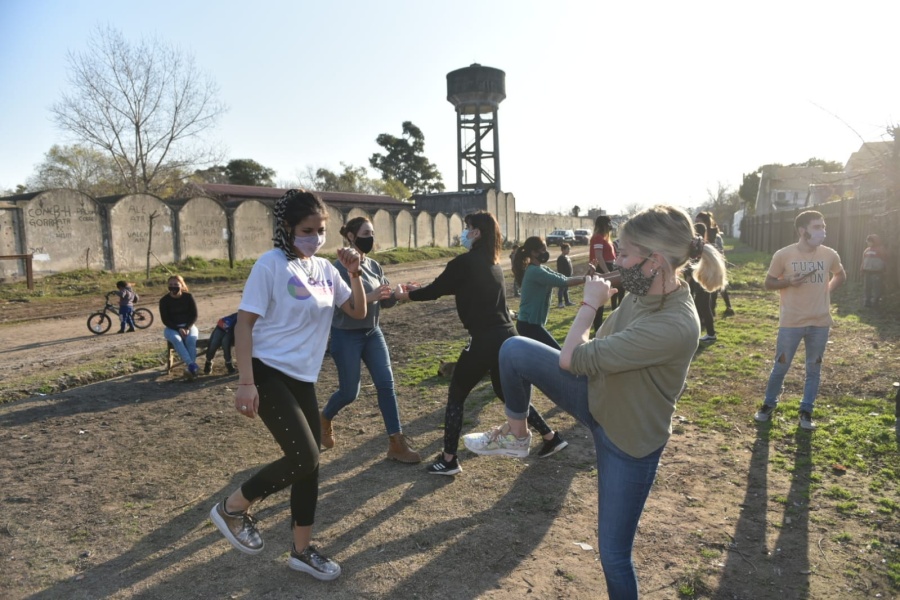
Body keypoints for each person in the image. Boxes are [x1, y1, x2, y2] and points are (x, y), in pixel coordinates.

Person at [462, 205, 725, 599]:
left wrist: (589, 305)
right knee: (513, 349)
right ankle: (517, 436)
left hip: (628, 441)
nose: (615, 260)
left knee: (613, 555)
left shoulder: (675, 325)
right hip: (597, 399)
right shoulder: (645, 286)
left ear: (655, 261)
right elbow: (592, 353)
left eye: (624, 253)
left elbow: (572, 360)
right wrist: (598, 294)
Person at [209, 189, 366, 581]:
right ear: (287, 229)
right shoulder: (271, 265)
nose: (314, 237)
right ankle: (231, 508)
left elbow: (358, 311)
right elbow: (243, 325)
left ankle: (301, 551)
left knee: (309, 468)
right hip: (266, 371)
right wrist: (246, 382)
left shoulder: (326, 270)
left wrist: (354, 273)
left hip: (302, 377)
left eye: (321, 230)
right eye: (306, 230)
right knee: (303, 458)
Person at [394, 211, 567, 475]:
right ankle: (550, 437)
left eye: (467, 227)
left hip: (485, 340)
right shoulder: (492, 263)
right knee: (505, 393)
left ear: (476, 232)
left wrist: (406, 296)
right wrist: (417, 289)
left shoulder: (465, 262)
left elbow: (435, 290)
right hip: (507, 337)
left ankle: (449, 459)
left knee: (457, 394)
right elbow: (447, 286)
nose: (463, 232)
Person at [320, 216, 421, 464]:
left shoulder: (374, 266)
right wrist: (372, 295)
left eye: (372, 232)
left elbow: (384, 299)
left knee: (386, 385)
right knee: (349, 392)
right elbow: (346, 305)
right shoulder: (337, 268)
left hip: (372, 332)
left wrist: (398, 294)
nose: (371, 238)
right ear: (351, 237)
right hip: (346, 335)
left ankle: (397, 444)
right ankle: (323, 418)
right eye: (366, 233)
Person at [754, 210, 846, 431]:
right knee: (780, 367)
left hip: (820, 323)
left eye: (823, 227)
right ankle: (768, 405)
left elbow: (840, 274)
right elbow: (768, 283)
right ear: (802, 231)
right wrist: (787, 282)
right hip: (791, 323)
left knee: (814, 370)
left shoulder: (829, 254)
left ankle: (806, 411)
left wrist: (827, 290)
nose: (823, 231)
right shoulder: (783, 255)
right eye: (817, 227)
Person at [514, 236, 586, 348]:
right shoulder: (535, 272)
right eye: (543, 250)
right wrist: (586, 279)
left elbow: (561, 276)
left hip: (532, 324)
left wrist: (591, 277)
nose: (546, 253)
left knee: (546, 355)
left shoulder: (541, 268)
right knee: (557, 353)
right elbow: (563, 281)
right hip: (528, 324)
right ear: (533, 252)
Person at [159, 275, 199, 378]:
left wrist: (186, 327)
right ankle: (191, 365)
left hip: (189, 326)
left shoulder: (188, 297)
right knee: (177, 339)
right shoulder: (164, 301)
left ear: (182, 285)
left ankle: (191, 369)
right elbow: (165, 320)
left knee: (191, 340)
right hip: (172, 328)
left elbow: (194, 315)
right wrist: (178, 329)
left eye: (176, 284)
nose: (173, 287)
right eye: (171, 285)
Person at [695, 211, 734, 316]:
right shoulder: (697, 234)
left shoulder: (715, 235)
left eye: (698, 221)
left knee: (717, 287)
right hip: (702, 264)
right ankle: (707, 313)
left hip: (714, 263)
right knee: (705, 289)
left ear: (705, 222)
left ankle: (714, 310)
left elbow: (720, 251)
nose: (696, 223)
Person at [588, 215, 619, 334]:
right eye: (609, 223)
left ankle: (610, 326)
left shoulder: (606, 238)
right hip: (602, 269)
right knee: (599, 302)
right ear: (603, 225)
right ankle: (597, 329)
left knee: (614, 295)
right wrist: (608, 273)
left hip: (609, 268)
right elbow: (599, 257)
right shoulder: (598, 238)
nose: (611, 226)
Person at [688, 222, 718, 343]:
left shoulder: (698, 247)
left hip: (702, 281)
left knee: (702, 307)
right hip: (704, 280)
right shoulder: (703, 246)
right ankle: (709, 333)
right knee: (703, 307)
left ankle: (710, 333)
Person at [860, 233, 887, 308]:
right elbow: (864, 260)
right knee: (867, 287)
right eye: (868, 241)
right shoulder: (866, 250)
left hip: (877, 272)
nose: (868, 243)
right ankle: (867, 301)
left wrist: (884, 269)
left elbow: (885, 260)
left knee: (876, 287)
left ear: (874, 241)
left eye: (870, 241)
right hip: (867, 271)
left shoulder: (880, 250)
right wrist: (862, 269)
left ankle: (876, 302)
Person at [555, 243, 575, 308]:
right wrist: (562, 276)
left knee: (566, 290)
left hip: (568, 276)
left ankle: (567, 302)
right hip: (563, 277)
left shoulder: (567, 257)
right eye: (567, 249)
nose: (569, 250)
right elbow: (560, 268)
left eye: (569, 249)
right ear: (563, 250)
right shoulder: (561, 258)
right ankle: (560, 303)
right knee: (561, 289)